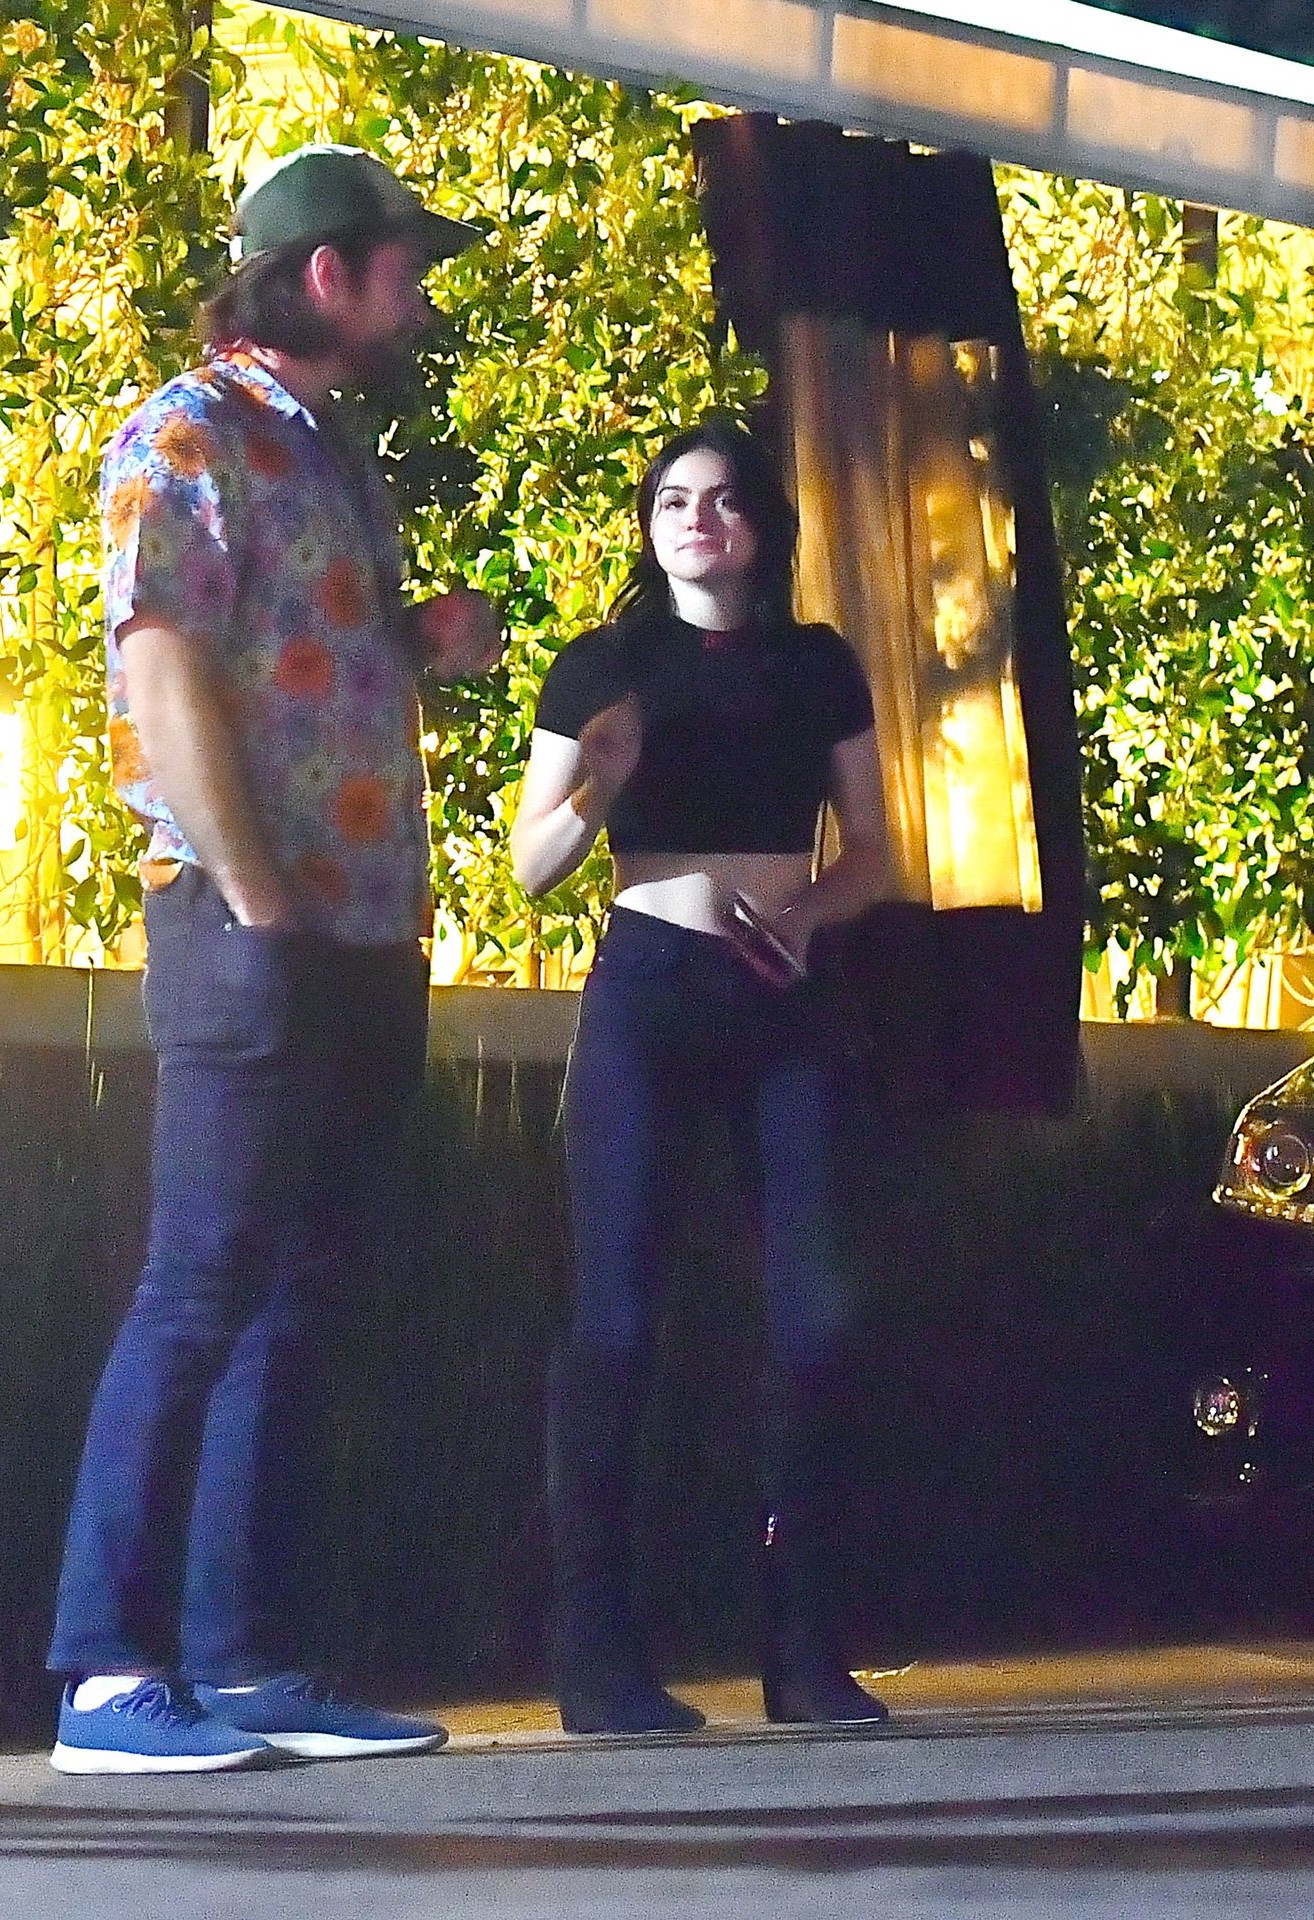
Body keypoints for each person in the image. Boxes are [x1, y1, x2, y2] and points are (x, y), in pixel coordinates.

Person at [46, 145, 505, 1773]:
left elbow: (301, 658)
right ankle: (107, 1676)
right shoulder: (185, 434)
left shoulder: (328, 452)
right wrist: (255, 904)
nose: (419, 297)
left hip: (362, 926)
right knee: (198, 1288)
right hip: (249, 920)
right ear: (328, 273)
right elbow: (163, 670)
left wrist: (421, 641)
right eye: (405, 267)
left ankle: (245, 1663)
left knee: (301, 1294)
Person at [511, 418, 893, 1736]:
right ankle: (595, 1658)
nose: (696, 519)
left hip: (782, 997)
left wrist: (806, 916)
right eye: (672, 499)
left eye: (723, 499)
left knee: (816, 1320)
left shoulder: (815, 663)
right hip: (649, 993)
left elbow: (873, 849)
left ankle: (803, 1650)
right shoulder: (604, 665)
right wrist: (597, 787)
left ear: (762, 525)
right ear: (648, 523)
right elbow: (531, 867)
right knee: (614, 1325)